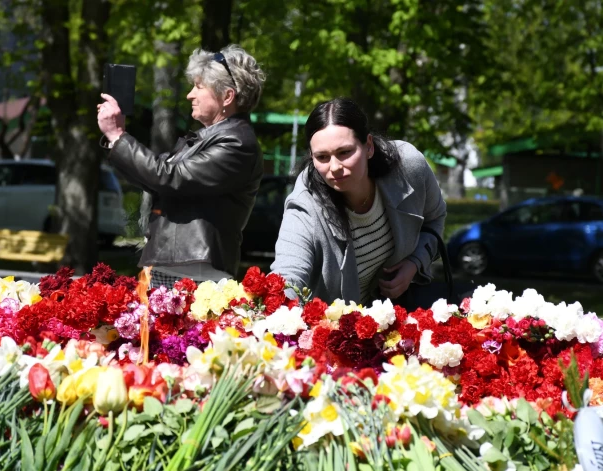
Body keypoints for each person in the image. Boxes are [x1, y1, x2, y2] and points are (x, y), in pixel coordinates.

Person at [97, 45, 266, 288]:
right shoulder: (211, 137)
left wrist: (118, 136)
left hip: (196, 274)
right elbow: (153, 177)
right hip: (181, 266)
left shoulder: (236, 143)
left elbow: (167, 177)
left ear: (227, 96)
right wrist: (115, 140)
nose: (189, 95)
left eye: (198, 86)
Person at [271, 98, 446, 305]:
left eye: (345, 152)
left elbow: (435, 219)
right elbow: (288, 273)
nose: (334, 167)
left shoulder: (409, 166)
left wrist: (415, 263)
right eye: (322, 157)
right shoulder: (305, 202)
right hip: (332, 331)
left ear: (369, 146)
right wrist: (278, 314)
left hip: (398, 321)